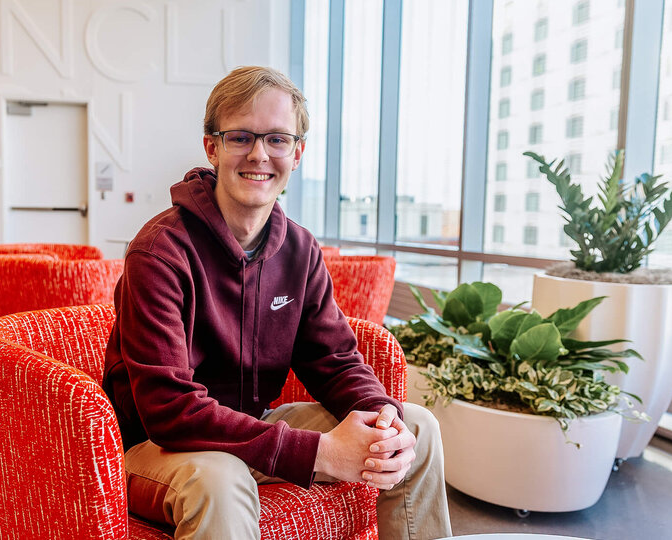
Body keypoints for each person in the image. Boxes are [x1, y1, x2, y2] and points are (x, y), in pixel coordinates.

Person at [102, 66, 452, 540]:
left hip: (251, 425)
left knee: (417, 428)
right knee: (221, 481)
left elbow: (334, 358)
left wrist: (380, 412)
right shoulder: (160, 251)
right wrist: (320, 453)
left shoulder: (300, 249)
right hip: (159, 448)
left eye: (278, 140)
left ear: (297, 153)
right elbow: (167, 409)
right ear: (213, 147)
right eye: (241, 137)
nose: (259, 154)